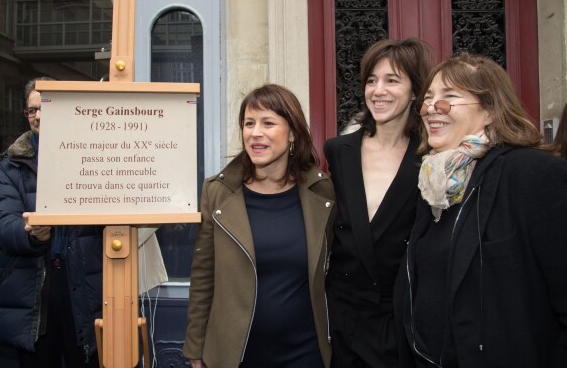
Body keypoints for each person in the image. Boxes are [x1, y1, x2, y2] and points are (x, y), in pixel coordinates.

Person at [393, 52, 567, 367]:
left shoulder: (532, 174)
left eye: (448, 98)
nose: (432, 108)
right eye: (429, 98)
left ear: (489, 111)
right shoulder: (433, 181)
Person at [184, 84, 336, 368]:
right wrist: (196, 348)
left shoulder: (321, 191)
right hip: (236, 354)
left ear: (292, 133)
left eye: (268, 123)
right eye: (248, 123)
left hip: (306, 352)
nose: (255, 132)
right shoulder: (218, 193)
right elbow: (204, 276)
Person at [324, 38, 433, 367]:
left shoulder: (431, 158)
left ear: (415, 90)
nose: (378, 90)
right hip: (341, 314)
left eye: (392, 80)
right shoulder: (338, 151)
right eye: (371, 80)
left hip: (399, 318)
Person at [0, 77, 103, 368]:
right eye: (31, 110)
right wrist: (29, 234)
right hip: (33, 286)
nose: (37, 115)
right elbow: (0, 220)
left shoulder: (94, 158)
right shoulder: (10, 167)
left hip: (82, 283)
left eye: (45, 107)